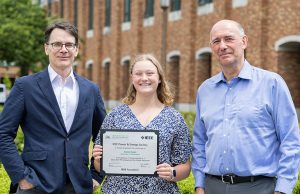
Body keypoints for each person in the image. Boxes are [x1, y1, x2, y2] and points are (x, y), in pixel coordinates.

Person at [191, 19, 300, 194]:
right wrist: (199, 185)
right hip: (212, 187)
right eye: (216, 41)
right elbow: (199, 142)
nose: (222, 46)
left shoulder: (272, 84)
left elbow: (291, 140)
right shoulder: (205, 90)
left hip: (259, 188)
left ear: (244, 41)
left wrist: (283, 189)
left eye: (229, 38)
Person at [0, 21, 106, 194]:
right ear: (46, 48)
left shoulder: (90, 90)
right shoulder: (25, 86)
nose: (63, 49)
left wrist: (96, 175)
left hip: (78, 186)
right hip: (35, 185)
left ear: (76, 49)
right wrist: (22, 178)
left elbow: (104, 136)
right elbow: (3, 134)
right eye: (57, 44)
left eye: (69, 44)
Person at [92, 54, 192, 193]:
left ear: (159, 78)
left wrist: (172, 172)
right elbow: (100, 166)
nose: (144, 78)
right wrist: (98, 159)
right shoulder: (115, 116)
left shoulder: (174, 118)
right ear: (132, 78)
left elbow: (185, 167)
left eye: (150, 73)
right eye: (138, 74)